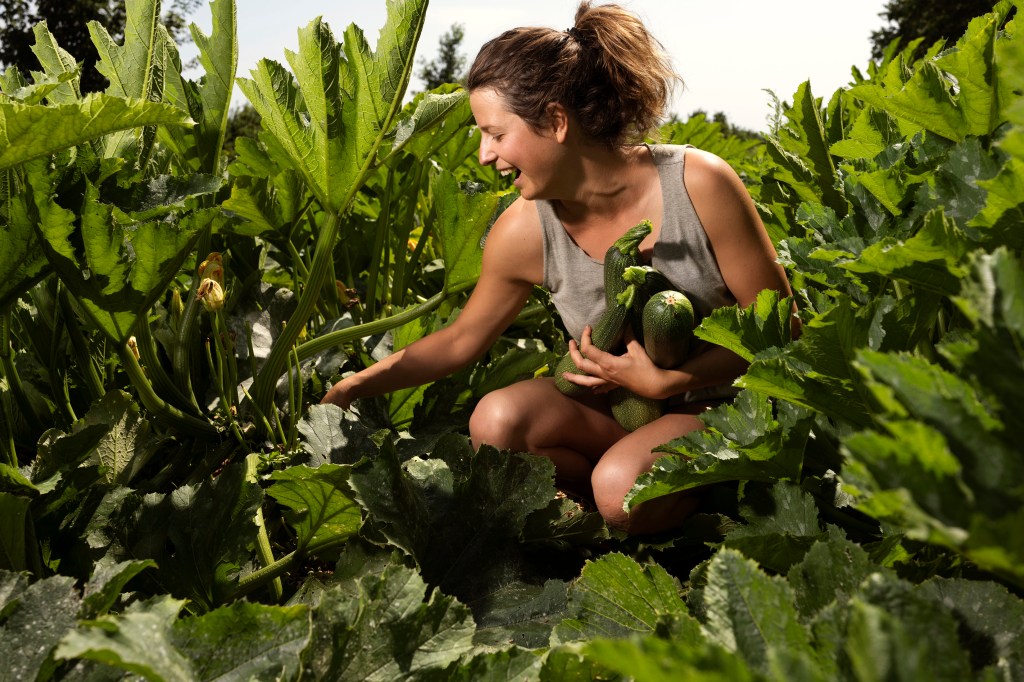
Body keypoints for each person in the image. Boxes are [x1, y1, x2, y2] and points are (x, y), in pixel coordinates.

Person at [322, 1, 795, 534]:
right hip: (618, 413)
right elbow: (460, 340)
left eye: (496, 134)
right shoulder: (523, 231)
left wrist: (670, 381)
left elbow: (783, 331)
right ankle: (609, 500)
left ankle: (667, 496)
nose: (484, 154)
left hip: (723, 408)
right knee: (495, 423)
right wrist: (355, 385)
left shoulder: (699, 183)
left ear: (555, 121)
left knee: (621, 491)